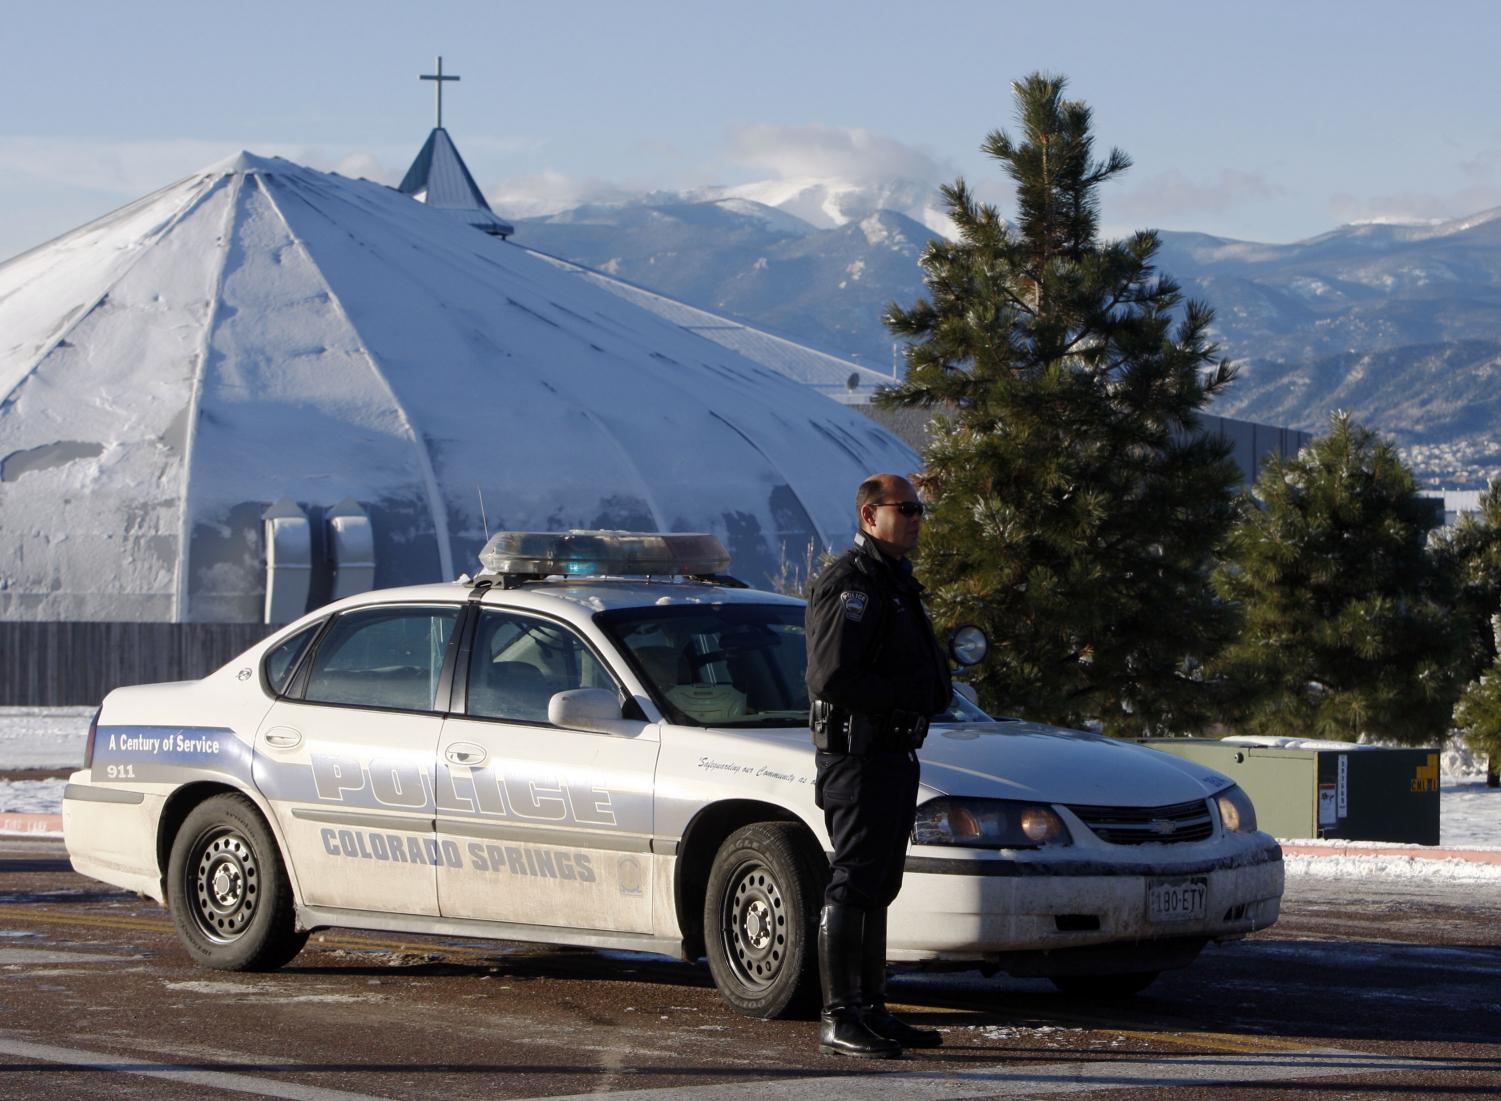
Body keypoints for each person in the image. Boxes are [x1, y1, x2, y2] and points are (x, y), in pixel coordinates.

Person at [805, 473, 952, 1058]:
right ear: (870, 517)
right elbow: (831, 675)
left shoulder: (896, 582)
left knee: (880, 882)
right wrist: (901, 696)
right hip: (858, 755)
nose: (917, 518)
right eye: (906, 509)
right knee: (855, 879)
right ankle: (840, 1016)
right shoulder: (853, 584)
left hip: (893, 752)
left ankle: (872, 1007)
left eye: (921, 510)